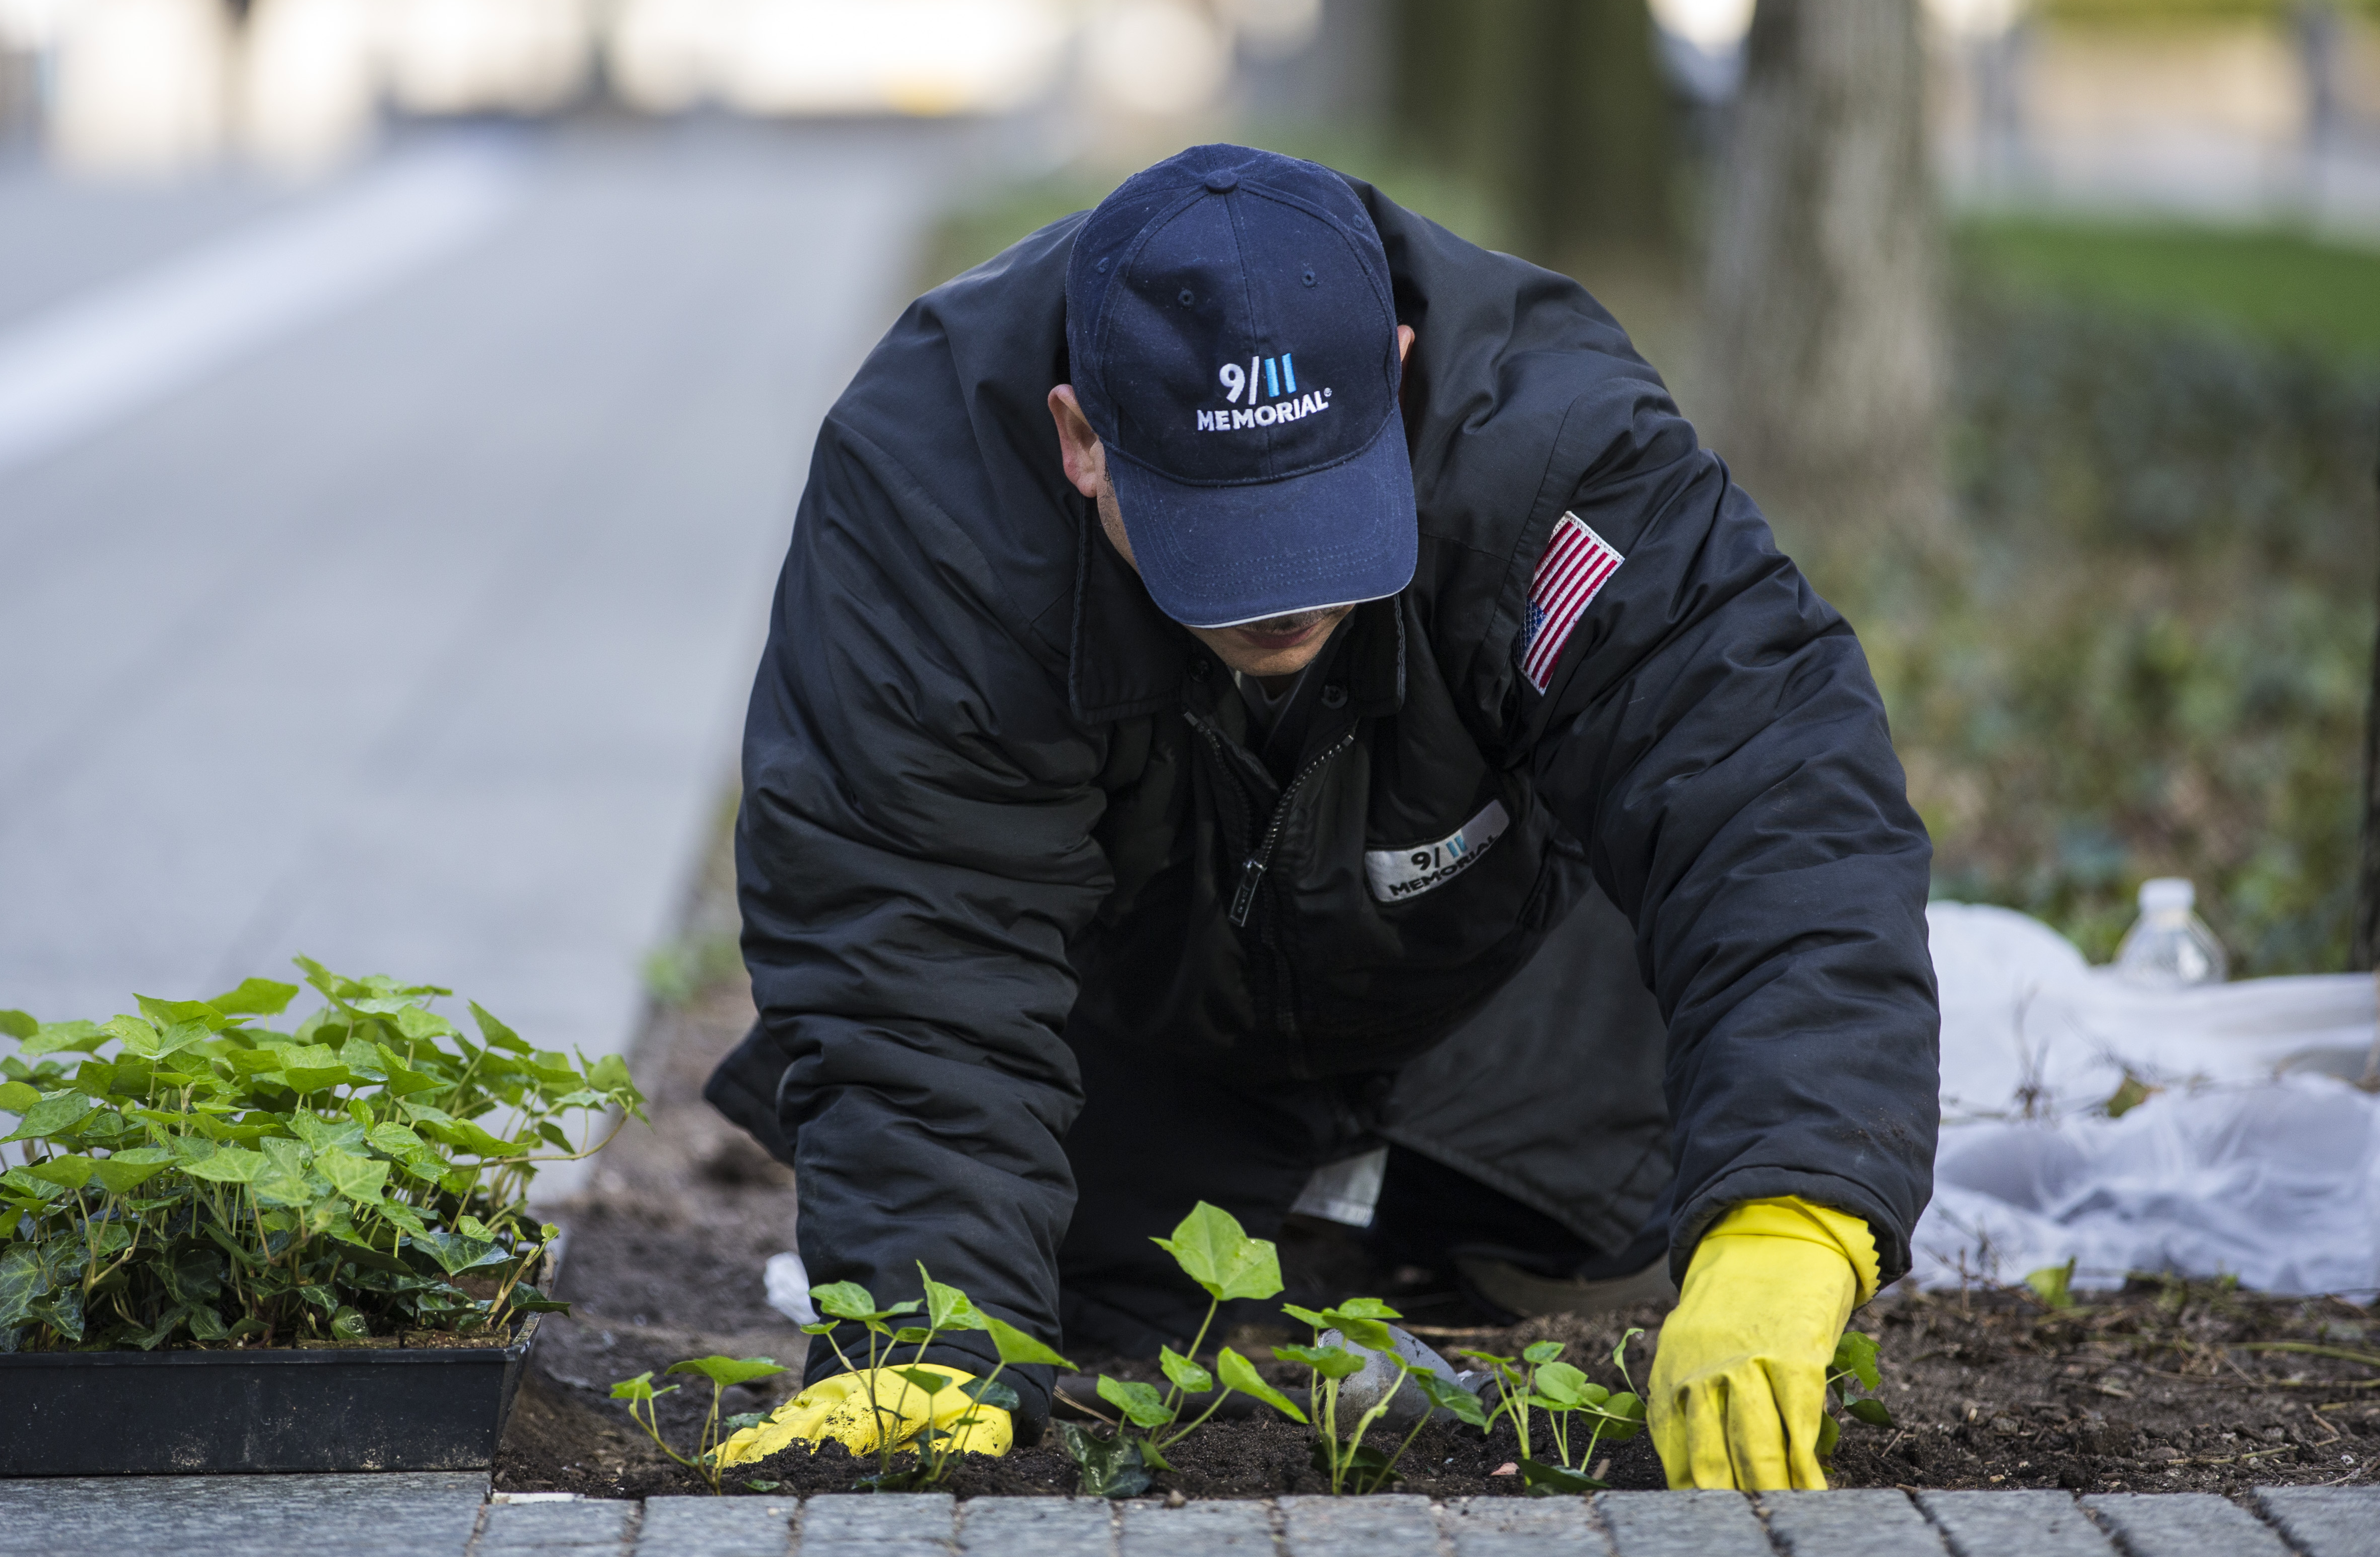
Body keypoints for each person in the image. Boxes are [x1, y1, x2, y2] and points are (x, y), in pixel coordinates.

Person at [704, 144, 1939, 1490]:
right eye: (1217, 536)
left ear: (1396, 371)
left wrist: (1788, 1210)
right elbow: (910, 938)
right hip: (1127, 1048)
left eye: (1314, 516)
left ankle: (1435, 1209)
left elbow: (1764, 784)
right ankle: (1253, 1225)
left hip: (1500, 998)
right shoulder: (929, 503)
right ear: (1080, 439)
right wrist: (925, 1328)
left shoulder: (1545, 450)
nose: (1279, 601)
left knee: (1600, 1246)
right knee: (1102, 1312)